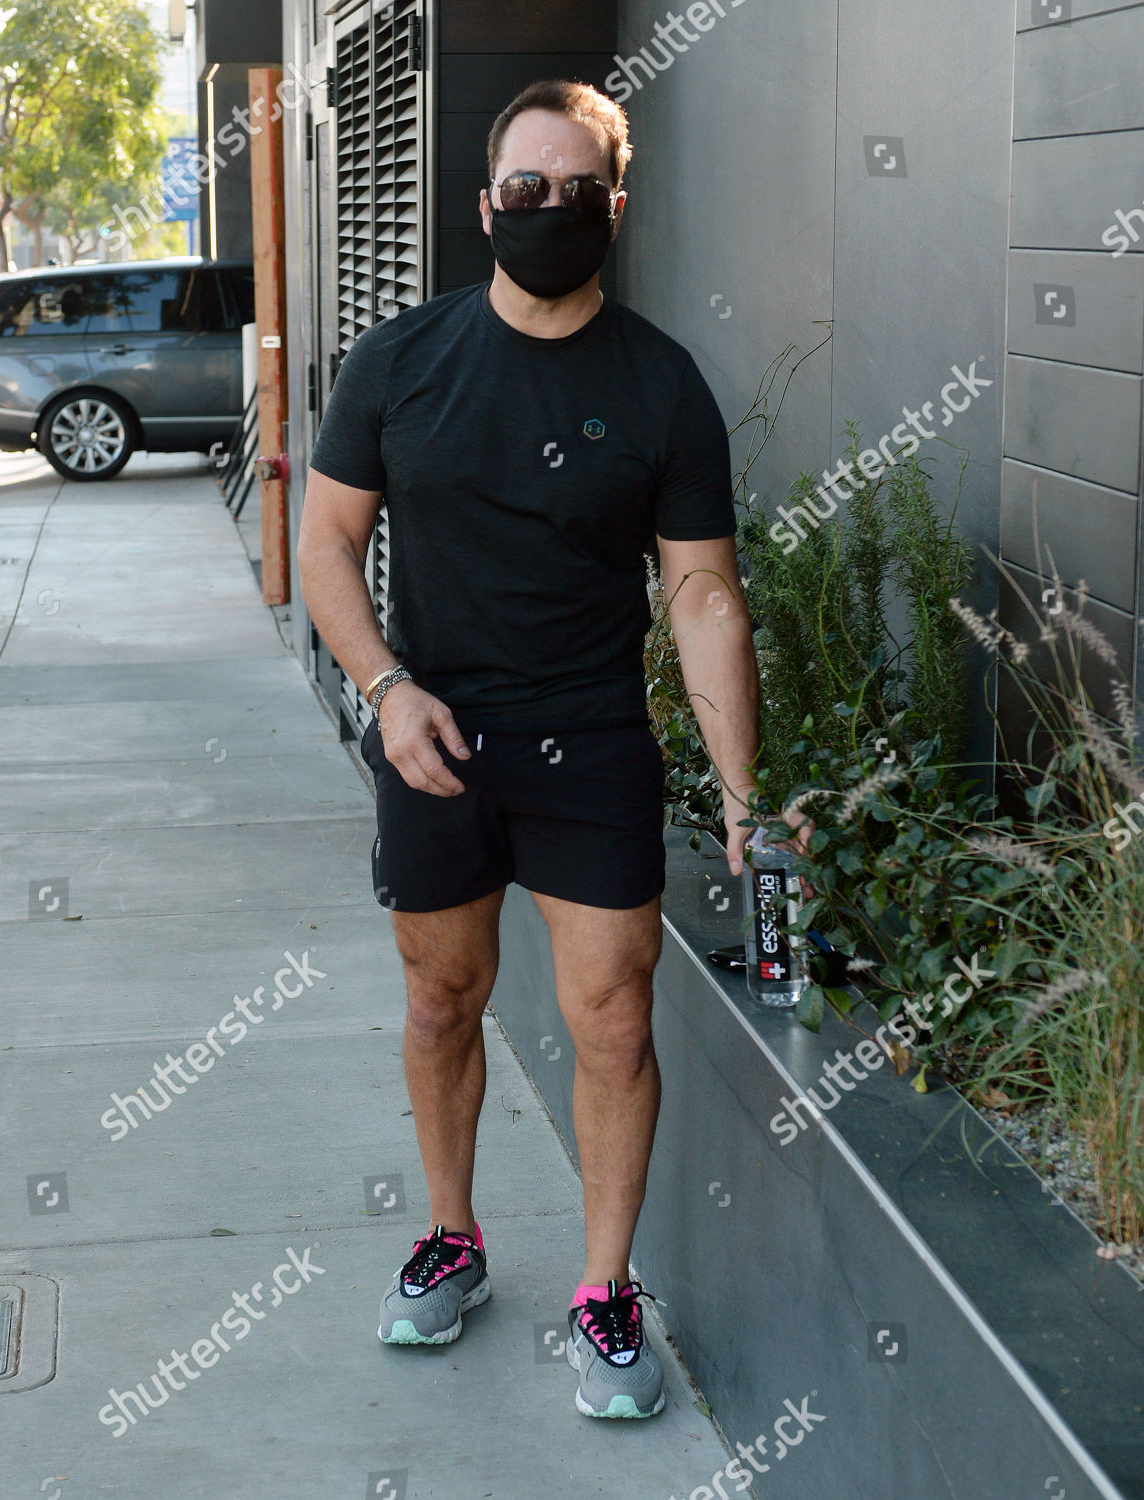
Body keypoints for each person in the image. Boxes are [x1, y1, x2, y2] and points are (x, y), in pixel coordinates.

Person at [297, 77, 811, 1420]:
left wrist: (750, 803)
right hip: (434, 743)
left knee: (613, 1022)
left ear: (613, 208)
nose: (544, 209)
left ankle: (601, 1292)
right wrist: (386, 689)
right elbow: (327, 548)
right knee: (436, 1002)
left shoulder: (660, 384)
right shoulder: (398, 362)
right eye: (521, 189)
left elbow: (699, 595)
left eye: (571, 190)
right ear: (483, 206)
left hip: (590, 741)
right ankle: (454, 1237)